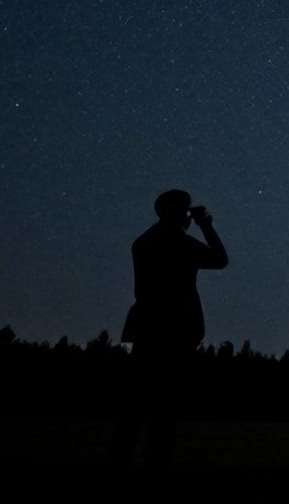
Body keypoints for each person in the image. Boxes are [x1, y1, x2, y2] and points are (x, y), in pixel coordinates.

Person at [110, 189, 229, 468]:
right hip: (174, 331)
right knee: (165, 406)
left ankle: (121, 456)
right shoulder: (180, 243)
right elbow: (220, 259)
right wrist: (206, 226)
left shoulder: (144, 242)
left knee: (138, 401)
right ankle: (155, 460)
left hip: (148, 328)